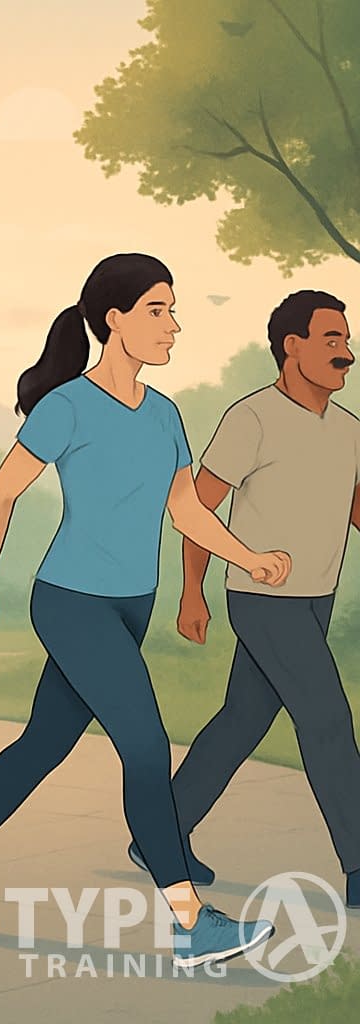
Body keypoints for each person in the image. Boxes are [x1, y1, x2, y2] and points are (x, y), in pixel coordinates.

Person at [0, 253, 285, 967]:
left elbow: (183, 509)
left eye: (174, 310)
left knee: (44, 744)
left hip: (129, 605)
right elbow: (1, 496)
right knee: (144, 746)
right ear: (113, 319)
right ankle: (189, 920)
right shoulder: (68, 408)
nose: (173, 325)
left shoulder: (166, 414)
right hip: (71, 601)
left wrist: (247, 557)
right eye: (157, 310)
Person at [127, 290, 360, 908]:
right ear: (293, 346)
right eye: (331, 340)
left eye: (346, 340)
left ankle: (162, 831)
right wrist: (193, 594)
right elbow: (196, 508)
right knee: (328, 718)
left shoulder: (349, 429)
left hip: (318, 596)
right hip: (263, 598)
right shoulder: (251, 418)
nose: (346, 354)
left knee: (242, 721)